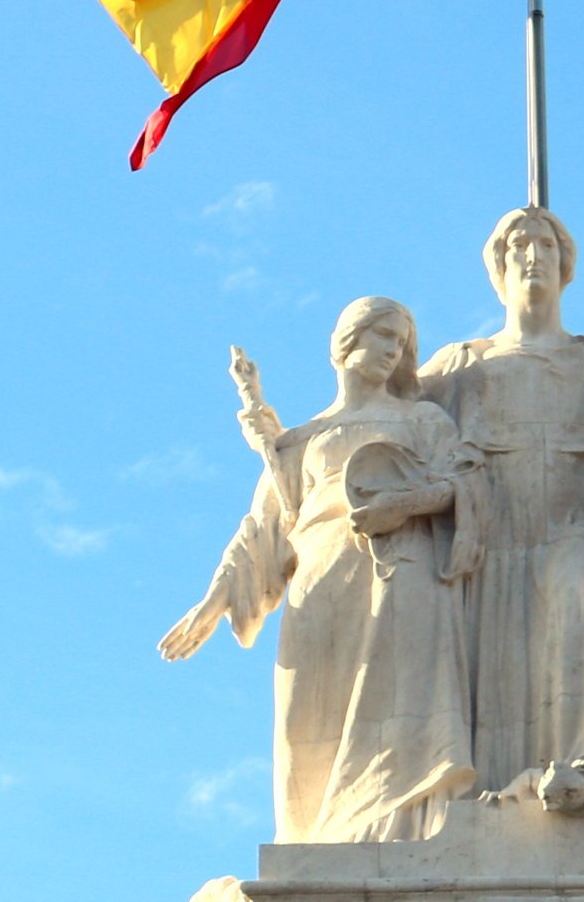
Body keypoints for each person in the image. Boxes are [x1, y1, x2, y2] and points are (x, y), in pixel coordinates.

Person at [158, 298, 479, 845]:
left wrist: (406, 505)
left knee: (404, 717)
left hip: (401, 573)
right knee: (304, 726)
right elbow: (262, 530)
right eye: (379, 335)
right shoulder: (302, 440)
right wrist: (213, 602)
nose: (389, 350)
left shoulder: (422, 420)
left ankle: (406, 839)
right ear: (345, 341)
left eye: (399, 343)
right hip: (319, 584)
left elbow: (467, 485)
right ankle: (314, 847)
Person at [422, 208, 584, 792]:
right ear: (499, 265)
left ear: (566, 265)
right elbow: (384, 416)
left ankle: (583, 768)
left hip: (574, 522)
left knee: (575, 611)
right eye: (519, 246)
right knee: (495, 664)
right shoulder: (461, 362)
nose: (533, 256)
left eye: (545, 244)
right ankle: (490, 789)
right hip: (490, 534)